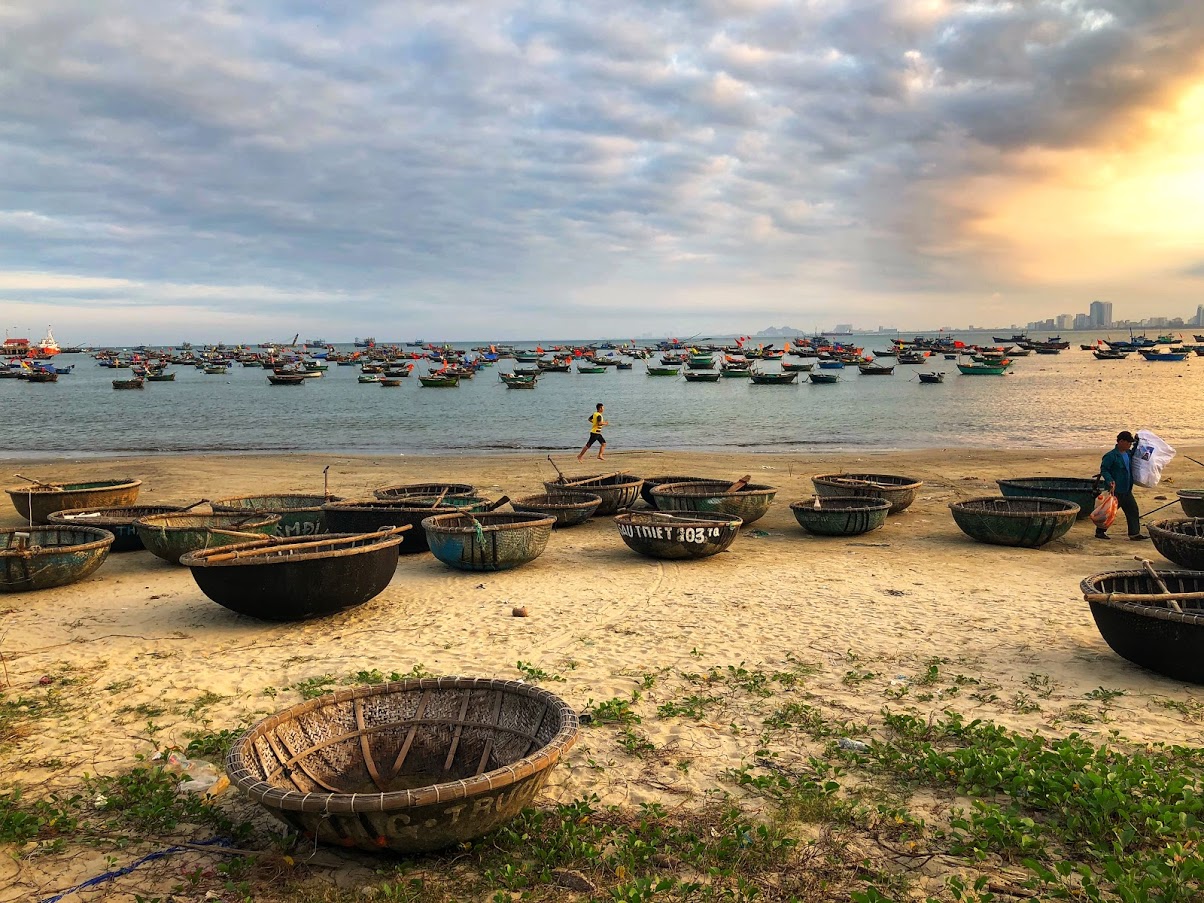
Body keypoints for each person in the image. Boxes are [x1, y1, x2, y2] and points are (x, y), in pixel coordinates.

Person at [1098, 430, 1147, 541]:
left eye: (1130, 443)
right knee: (1109, 512)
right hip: (1115, 490)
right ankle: (1100, 531)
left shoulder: (1128, 454)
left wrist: (1138, 440)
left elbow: (1135, 450)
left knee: (1133, 510)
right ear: (1121, 441)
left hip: (1127, 489)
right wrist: (1110, 480)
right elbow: (1104, 469)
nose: (1129, 444)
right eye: (1128, 442)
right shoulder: (1111, 456)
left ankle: (1134, 534)